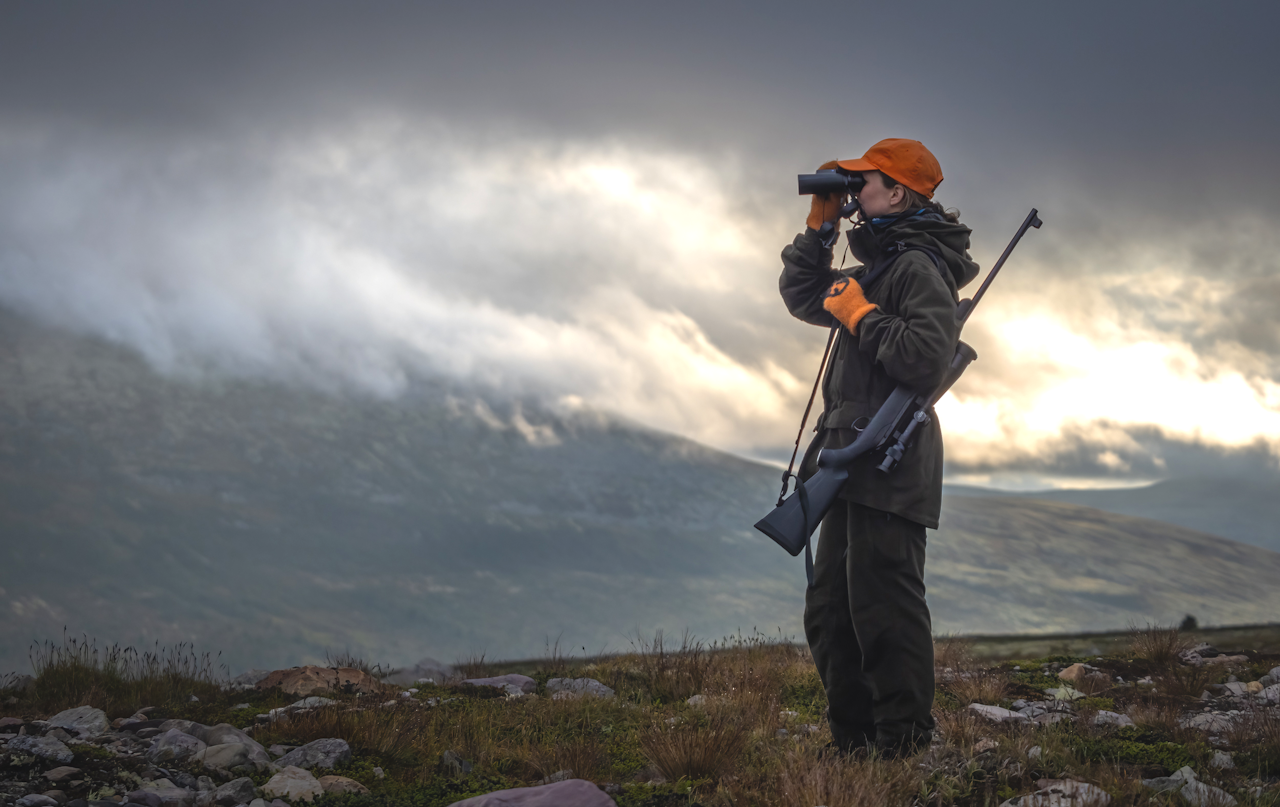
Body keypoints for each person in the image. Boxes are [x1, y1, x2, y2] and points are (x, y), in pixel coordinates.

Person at [778, 138, 979, 757]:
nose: (854, 190)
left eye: (865, 181)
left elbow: (923, 358)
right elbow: (804, 297)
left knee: (883, 606)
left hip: (890, 459)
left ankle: (905, 747)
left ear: (898, 193)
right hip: (847, 460)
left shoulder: (918, 266)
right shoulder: (878, 267)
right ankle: (854, 746)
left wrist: (863, 316)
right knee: (831, 611)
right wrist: (818, 229)